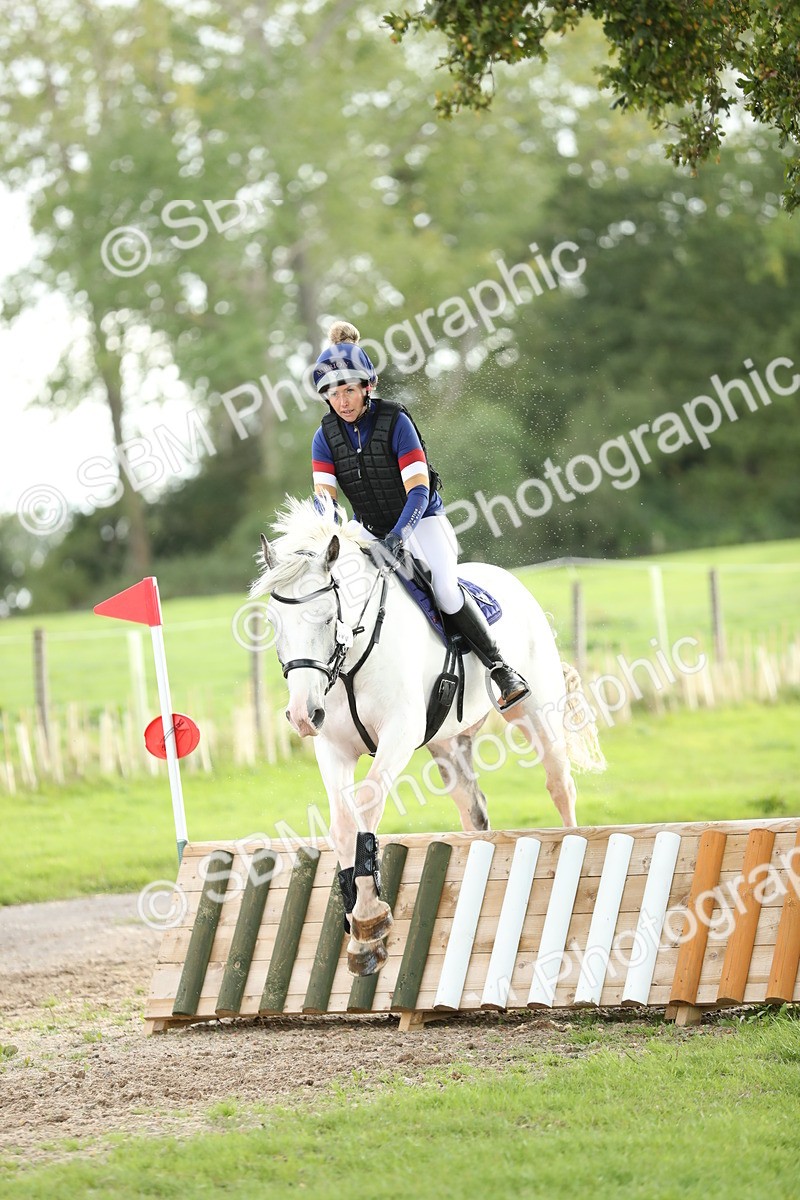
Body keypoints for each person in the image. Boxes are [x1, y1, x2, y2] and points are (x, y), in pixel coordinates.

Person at [311, 321, 530, 710]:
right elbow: (325, 500)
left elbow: (418, 491)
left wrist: (398, 538)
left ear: (367, 387)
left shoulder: (396, 422)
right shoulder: (324, 437)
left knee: (444, 590)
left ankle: (500, 668)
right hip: (368, 529)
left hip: (422, 521)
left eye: (348, 390)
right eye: (332, 393)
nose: (342, 401)